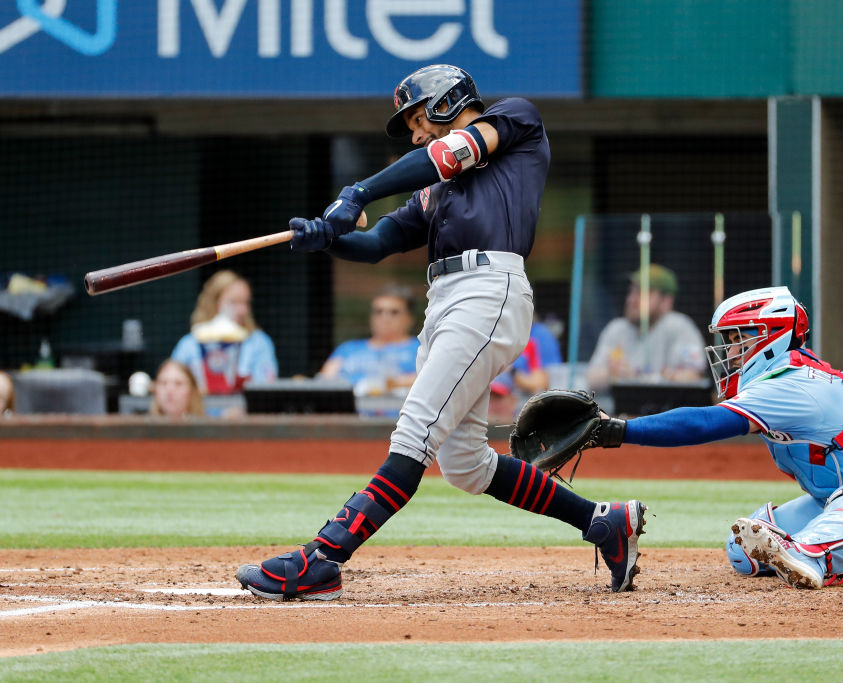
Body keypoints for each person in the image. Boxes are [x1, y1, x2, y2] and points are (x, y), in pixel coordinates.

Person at [236, 64, 646, 600]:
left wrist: (357, 191)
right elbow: (380, 241)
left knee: (415, 431)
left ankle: (324, 558)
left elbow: (445, 154)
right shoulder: (434, 189)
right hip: (446, 300)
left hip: (489, 289)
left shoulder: (514, 119)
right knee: (464, 464)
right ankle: (603, 522)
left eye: (416, 118)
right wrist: (325, 240)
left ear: (449, 102)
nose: (415, 132)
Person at [579, 287, 843, 589]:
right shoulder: (784, 377)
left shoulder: (790, 385)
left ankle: (824, 555)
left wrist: (619, 430)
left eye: (737, 341)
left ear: (769, 339)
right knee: (743, 550)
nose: (729, 352)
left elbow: (703, 424)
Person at [586, 264, 706, 393]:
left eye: (643, 293)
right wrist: (611, 373)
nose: (631, 299)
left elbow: (693, 377)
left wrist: (639, 379)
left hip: (665, 411)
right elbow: (591, 380)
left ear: (666, 301)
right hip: (622, 410)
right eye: (632, 291)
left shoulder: (680, 327)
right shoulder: (616, 328)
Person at [171, 270, 278, 396]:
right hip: (198, 413)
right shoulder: (189, 344)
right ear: (214, 303)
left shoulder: (259, 342)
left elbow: (266, 388)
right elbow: (174, 387)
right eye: (234, 302)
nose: (242, 310)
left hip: (243, 413)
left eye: (246, 302)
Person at [318, 285, 419, 398]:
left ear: (409, 318)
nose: (385, 318)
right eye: (378, 312)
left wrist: (392, 383)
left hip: (397, 412)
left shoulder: (420, 348)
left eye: (394, 312)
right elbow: (324, 382)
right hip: (350, 413)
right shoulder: (348, 348)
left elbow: (431, 380)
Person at [489, 319, 562, 423]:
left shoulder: (531, 342)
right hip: (493, 389)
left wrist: (512, 371)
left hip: (515, 397)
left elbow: (540, 383)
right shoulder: (490, 340)